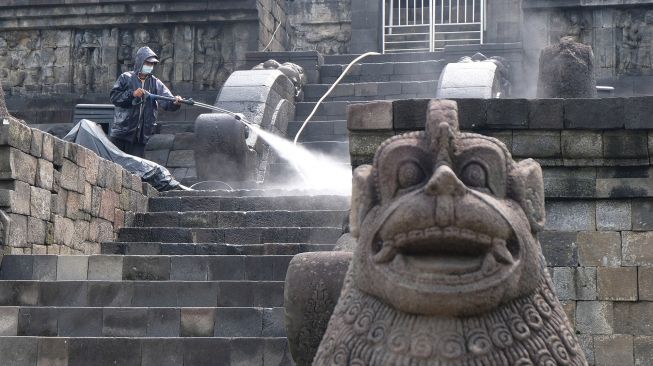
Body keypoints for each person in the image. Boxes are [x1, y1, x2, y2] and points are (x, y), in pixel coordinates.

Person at [109, 46, 182, 157]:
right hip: (122, 133)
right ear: (140, 62)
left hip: (141, 136)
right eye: (147, 63)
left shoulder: (155, 82)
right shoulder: (126, 77)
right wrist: (132, 94)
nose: (150, 66)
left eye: (152, 64)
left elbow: (167, 100)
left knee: (135, 169)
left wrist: (175, 102)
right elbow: (114, 97)